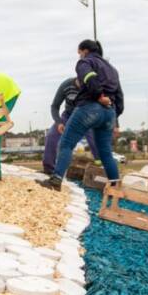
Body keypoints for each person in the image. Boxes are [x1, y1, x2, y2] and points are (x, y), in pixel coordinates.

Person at [40, 40, 124, 191]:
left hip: (89, 108)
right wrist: (114, 114)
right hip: (109, 112)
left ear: (84, 51)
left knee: (66, 144)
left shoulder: (85, 62)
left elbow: (89, 78)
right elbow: (120, 96)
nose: (79, 56)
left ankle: (56, 180)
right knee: (105, 153)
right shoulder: (113, 69)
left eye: (79, 53)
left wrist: (98, 97)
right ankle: (115, 188)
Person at [42, 76, 98, 175]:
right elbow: (55, 106)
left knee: (96, 141)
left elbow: (108, 105)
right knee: (51, 136)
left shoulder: (94, 86)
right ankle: (49, 169)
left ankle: (102, 168)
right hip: (68, 116)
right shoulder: (66, 85)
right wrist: (58, 122)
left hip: (87, 117)